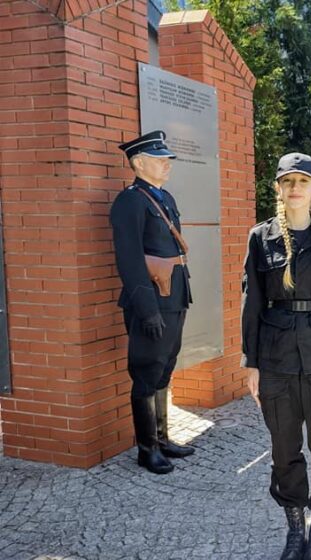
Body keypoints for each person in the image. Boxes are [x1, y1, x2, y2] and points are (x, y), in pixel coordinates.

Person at [241, 152, 311, 560]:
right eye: (288, 181)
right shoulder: (261, 237)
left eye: (303, 181)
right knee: (284, 447)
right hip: (275, 358)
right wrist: (250, 362)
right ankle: (295, 528)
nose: (295, 188)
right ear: (278, 188)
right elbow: (252, 302)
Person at [111, 130, 194, 475]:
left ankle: (162, 438)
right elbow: (129, 260)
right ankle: (147, 449)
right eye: (160, 159)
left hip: (173, 295)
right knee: (146, 373)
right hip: (151, 300)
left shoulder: (163, 197)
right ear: (139, 163)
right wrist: (145, 309)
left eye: (167, 159)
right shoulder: (131, 200)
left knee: (165, 368)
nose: (167, 164)